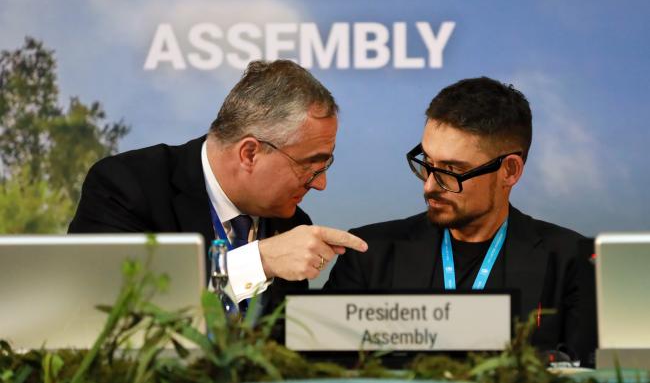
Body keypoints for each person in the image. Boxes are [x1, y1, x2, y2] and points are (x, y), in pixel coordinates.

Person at [326, 77, 593, 362]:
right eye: (427, 163)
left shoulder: (570, 260)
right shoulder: (369, 254)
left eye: (451, 170)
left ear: (510, 171)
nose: (429, 186)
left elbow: (592, 369)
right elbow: (320, 367)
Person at [69, 59, 367, 315]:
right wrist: (258, 262)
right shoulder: (128, 185)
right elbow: (105, 303)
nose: (321, 184)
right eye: (308, 167)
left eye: (324, 167)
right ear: (250, 153)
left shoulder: (293, 224)